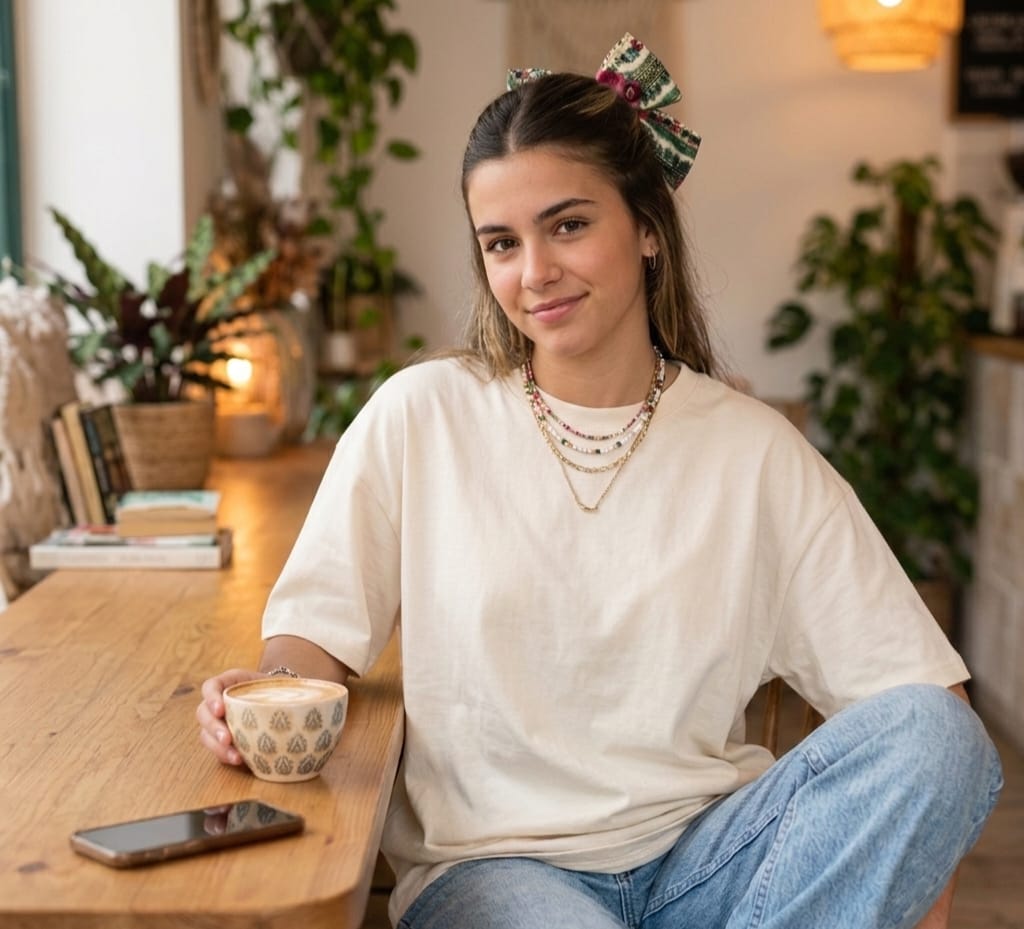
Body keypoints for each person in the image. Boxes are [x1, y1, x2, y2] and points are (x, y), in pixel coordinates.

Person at [197, 33, 1002, 929]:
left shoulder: (754, 452)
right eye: (501, 242)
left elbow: (925, 712)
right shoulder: (421, 416)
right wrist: (257, 694)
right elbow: (315, 637)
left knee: (937, 736)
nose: (535, 272)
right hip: (496, 875)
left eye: (568, 224)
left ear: (648, 229)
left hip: (715, 866)